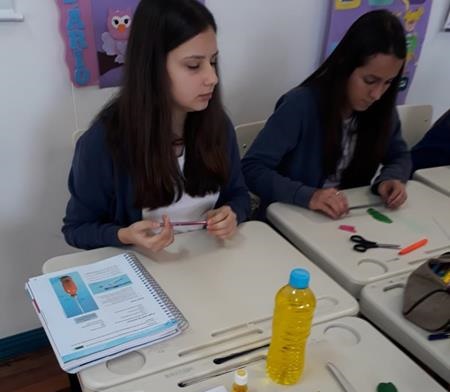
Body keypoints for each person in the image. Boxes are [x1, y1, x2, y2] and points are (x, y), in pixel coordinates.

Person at [63, 0, 250, 251]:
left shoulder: (218, 126)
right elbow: (77, 229)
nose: (212, 78)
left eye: (213, 61)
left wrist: (232, 213)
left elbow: (239, 195)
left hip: (210, 261)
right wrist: (124, 235)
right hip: (145, 266)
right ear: (152, 68)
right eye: (194, 65)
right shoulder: (103, 142)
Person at [242, 10, 412, 220]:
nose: (377, 94)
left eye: (388, 83)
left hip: (344, 218)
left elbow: (400, 155)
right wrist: (308, 195)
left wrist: (391, 178)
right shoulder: (300, 105)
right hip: (290, 218)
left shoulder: (382, 109)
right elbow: (252, 168)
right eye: (370, 80)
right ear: (345, 65)